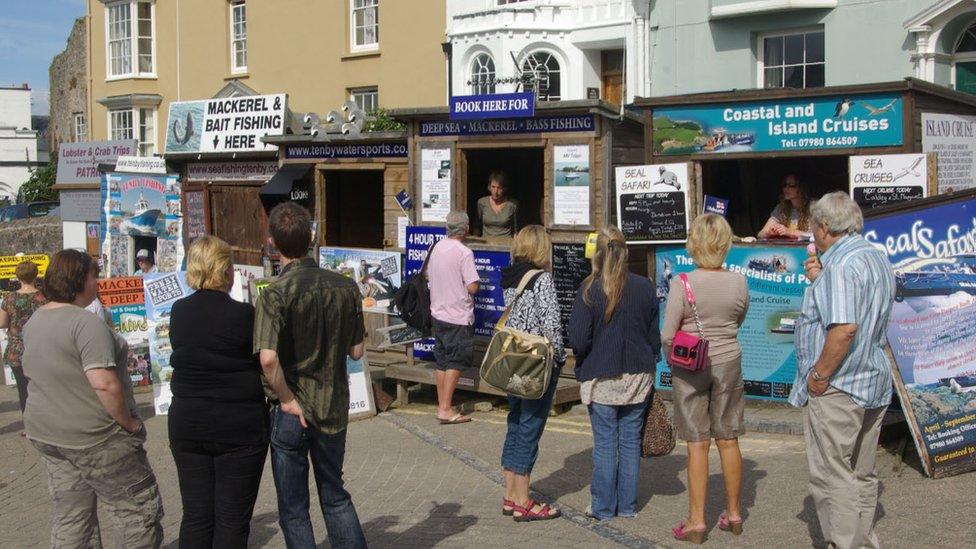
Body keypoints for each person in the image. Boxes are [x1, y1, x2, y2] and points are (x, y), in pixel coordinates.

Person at [22, 249, 163, 548]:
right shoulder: (85, 323)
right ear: (78, 279)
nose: (97, 282)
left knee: (73, 516)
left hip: (50, 434)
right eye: (93, 276)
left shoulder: (36, 320)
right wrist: (130, 423)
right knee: (137, 513)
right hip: (95, 437)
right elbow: (105, 385)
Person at [254, 202, 368, 548]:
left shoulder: (274, 293)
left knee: (293, 509)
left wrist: (287, 400)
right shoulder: (346, 287)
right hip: (332, 403)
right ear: (311, 237)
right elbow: (357, 351)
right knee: (334, 494)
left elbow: (268, 359)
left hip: (291, 410)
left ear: (272, 242)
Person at [790, 191, 895, 549]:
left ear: (823, 227)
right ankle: (863, 541)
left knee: (833, 475)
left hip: (841, 385)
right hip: (874, 378)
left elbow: (845, 328)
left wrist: (818, 376)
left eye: (813, 227)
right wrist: (820, 279)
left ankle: (846, 543)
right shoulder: (873, 256)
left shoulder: (842, 265)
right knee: (862, 473)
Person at [169, 235, 268, 548]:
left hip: (188, 422)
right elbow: (263, 362)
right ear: (225, 271)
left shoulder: (178, 311)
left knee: (196, 516)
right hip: (237, 426)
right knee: (231, 520)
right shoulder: (243, 315)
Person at [661, 214, 750, 544]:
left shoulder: (681, 283)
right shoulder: (739, 282)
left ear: (694, 244)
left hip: (691, 366)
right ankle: (735, 513)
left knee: (697, 444)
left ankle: (697, 521)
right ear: (725, 244)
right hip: (729, 359)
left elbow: (669, 334)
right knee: (728, 438)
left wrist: (674, 356)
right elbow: (739, 318)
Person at [569, 226, 660, 522]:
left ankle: (604, 508)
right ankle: (628, 506)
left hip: (601, 376)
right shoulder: (645, 287)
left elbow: (579, 340)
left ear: (597, 255)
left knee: (606, 444)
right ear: (626, 251)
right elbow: (653, 336)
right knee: (630, 442)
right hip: (637, 375)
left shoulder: (589, 288)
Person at [498, 225, 566, 522]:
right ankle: (524, 501)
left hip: (513, 359)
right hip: (537, 362)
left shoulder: (510, 277)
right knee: (530, 426)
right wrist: (561, 357)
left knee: (515, 422)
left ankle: (511, 495)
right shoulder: (542, 280)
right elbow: (551, 324)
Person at [427, 210, 481, 424]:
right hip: (458, 315)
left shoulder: (436, 247)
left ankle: (442, 405)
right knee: (455, 362)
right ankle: (446, 409)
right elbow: (473, 287)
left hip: (438, 312)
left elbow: (428, 275)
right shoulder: (464, 253)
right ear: (466, 229)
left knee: (442, 361)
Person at [0, 259, 48, 428]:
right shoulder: (45, 297)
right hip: (41, 349)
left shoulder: (9, 298)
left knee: (23, 389)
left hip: (17, 350)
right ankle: (47, 422)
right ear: (36, 275)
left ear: (17, 276)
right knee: (44, 388)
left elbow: (2, 323)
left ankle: (30, 426)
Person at [758, 174, 811, 239]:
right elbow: (760, 234)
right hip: (787, 248)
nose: (786, 188)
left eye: (791, 185)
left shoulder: (813, 208)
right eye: (784, 185)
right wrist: (769, 233)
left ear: (801, 188)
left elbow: (816, 236)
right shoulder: (781, 208)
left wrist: (789, 232)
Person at [477, 171, 519, 238]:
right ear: (489, 187)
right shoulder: (482, 202)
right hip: (486, 244)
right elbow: (477, 225)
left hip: (506, 244)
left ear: (504, 188)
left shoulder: (512, 204)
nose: (495, 191)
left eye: (499, 188)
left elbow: (515, 229)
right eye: (493, 187)